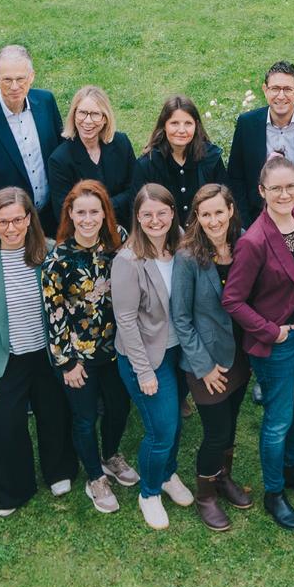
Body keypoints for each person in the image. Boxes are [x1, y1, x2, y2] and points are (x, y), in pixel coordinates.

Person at [223, 154, 294, 531]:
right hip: (280, 342)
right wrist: (271, 330)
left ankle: (292, 469)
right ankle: (273, 492)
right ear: (261, 191)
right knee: (278, 420)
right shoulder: (254, 241)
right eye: (276, 188)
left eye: (290, 186)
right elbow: (232, 299)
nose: (284, 194)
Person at [0, 187, 76, 516]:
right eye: (2, 222)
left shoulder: (51, 252)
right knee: (7, 423)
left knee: (54, 414)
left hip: (46, 353)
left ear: (29, 219)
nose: (10, 229)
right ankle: (14, 488)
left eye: (17, 220)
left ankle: (59, 471)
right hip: (7, 356)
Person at [43, 179, 131, 514]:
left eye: (95, 211)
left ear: (105, 212)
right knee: (83, 418)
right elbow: (54, 313)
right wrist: (67, 363)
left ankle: (110, 456)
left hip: (116, 348)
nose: (89, 219)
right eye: (81, 212)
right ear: (70, 214)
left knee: (120, 407)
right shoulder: (58, 259)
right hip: (79, 355)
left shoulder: (118, 241)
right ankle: (95, 476)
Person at [112, 184, 194, 529]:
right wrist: (144, 370)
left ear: (173, 212)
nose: (155, 220)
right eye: (147, 215)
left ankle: (167, 474)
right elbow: (126, 320)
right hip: (144, 356)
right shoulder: (128, 260)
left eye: (162, 212)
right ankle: (149, 493)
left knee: (173, 423)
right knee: (161, 429)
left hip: (179, 351)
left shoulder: (182, 247)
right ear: (137, 218)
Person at [171, 183, 252, 531]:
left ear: (230, 210)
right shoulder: (188, 257)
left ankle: (223, 478)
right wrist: (203, 367)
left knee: (231, 426)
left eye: (219, 212)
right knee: (216, 432)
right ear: (197, 217)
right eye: (206, 214)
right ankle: (205, 494)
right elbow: (181, 318)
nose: (214, 220)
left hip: (241, 355)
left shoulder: (244, 243)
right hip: (207, 362)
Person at [227, 60, 294, 225]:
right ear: (265, 90)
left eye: (287, 89)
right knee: (264, 252)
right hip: (259, 220)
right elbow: (236, 177)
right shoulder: (247, 124)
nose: (280, 96)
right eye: (275, 88)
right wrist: (245, 224)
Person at [0, 44, 61, 217]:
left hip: (52, 214)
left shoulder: (46, 102)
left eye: (21, 79)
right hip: (11, 225)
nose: (14, 86)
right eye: (7, 80)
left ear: (32, 77)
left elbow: (60, 153)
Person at [47, 84, 138, 226]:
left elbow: (135, 189)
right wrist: (113, 205)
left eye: (95, 114)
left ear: (105, 118)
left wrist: (96, 209)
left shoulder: (121, 143)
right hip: (86, 235)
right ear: (74, 115)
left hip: (125, 227)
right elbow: (64, 213)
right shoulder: (59, 160)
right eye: (82, 113)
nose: (88, 121)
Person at [135, 94, 228, 227]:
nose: (182, 130)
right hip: (163, 235)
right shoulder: (147, 164)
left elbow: (225, 200)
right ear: (164, 125)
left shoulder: (211, 158)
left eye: (188, 123)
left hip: (205, 232)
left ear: (196, 126)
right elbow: (136, 209)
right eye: (174, 123)